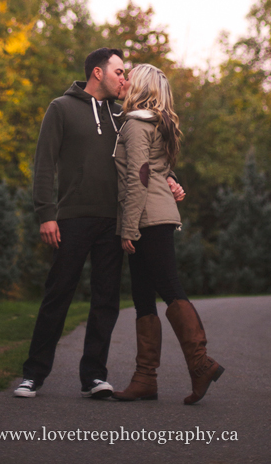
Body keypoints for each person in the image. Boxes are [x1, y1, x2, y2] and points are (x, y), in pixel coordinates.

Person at [13, 48, 184, 399]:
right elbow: (44, 164)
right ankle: (33, 374)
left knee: (105, 299)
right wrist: (46, 213)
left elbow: (144, 160)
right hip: (72, 217)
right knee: (58, 294)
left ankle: (94, 376)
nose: (125, 79)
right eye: (119, 72)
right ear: (97, 73)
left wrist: (170, 179)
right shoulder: (60, 109)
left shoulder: (124, 116)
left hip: (115, 221)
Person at [111, 63, 224, 405]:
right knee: (144, 297)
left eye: (130, 76)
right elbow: (157, 170)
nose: (125, 80)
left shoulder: (134, 124)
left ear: (141, 86)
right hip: (155, 215)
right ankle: (145, 378)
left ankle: (200, 363)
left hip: (147, 219)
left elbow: (139, 176)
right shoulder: (155, 123)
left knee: (169, 289)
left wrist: (128, 228)